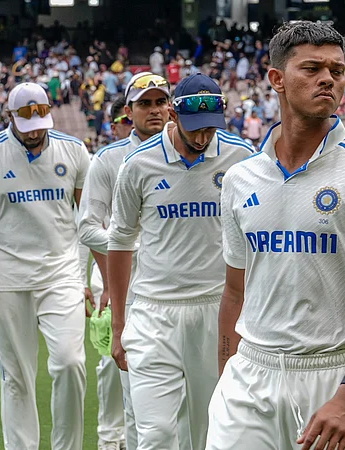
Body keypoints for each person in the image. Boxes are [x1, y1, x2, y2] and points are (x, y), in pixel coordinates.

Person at [207, 21, 345, 450]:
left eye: (337, 71)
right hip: (250, 377)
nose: (328, 79)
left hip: (335, 374)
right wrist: (226, 372)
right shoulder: (241, 178)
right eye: (312, 68)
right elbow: (234, 290)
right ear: (277, 79)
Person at [106, 73, 254, 450]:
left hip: (216, 311)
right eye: (194, 128)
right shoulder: (138, 164)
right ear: (173, 115)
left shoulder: (242, 158)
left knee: (211, 432)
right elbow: (120, 241)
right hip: (153, 313)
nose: (203, 138)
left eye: (210, 128)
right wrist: (119, 324)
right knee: (155, 434)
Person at [0, 82, 91, 450]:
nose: (35, 134)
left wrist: (98, 280)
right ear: (10, 117)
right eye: (27, 127)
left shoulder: (74, 150)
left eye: (40, 125)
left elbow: (90, 220)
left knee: (70, 363)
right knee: (16, 377)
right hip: (6, 277)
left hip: (61, 273)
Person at [79, 72, 172, 450]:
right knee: (137, 400)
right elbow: (86, 226)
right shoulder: (109, 160)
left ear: (172, 107)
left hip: (186, 289)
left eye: (160, 102)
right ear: (128, 112)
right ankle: (110, 438)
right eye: (144, 104)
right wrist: (134, 249)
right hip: (132, 290)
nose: (154, 110)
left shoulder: (190, 153)